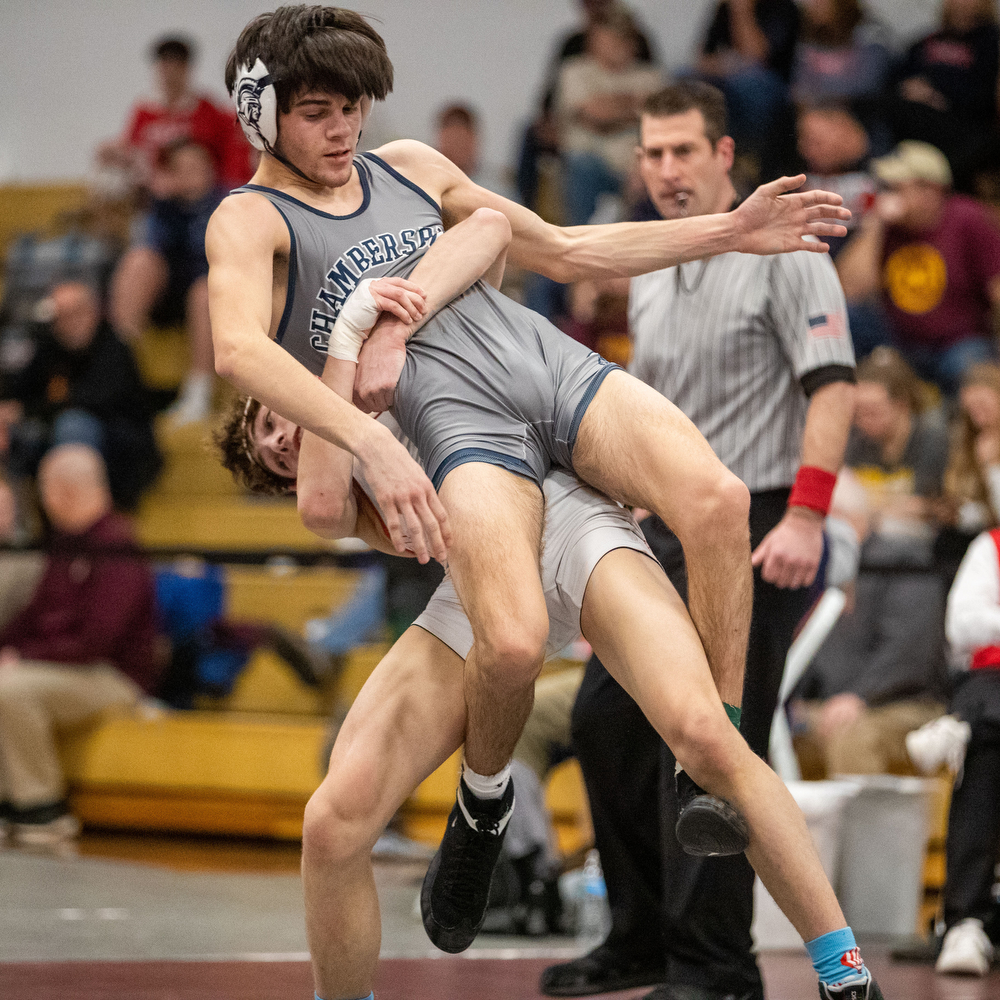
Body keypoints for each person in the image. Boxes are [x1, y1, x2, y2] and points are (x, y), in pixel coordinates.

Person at [207, 1, 850, 975]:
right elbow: (244, 357)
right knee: (349, 806)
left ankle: (832, 953)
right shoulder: (255, 227)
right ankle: (485, 801)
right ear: (262, 116)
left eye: (354, 108)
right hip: (478, 497)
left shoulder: (408, 168)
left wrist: (730, 228)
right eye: (316, 113)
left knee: (712, 560)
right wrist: (351, 390)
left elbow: (549, 245)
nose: (344, 131)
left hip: (550, 449)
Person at [542, 80, 857, 1000]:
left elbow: (832, 385)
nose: (667, 170)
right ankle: (640, 937)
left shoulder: (786, 250)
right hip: (668, 522)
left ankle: (718, 965)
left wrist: (805, 513)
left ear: (725, 157)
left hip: (761, 522)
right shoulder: (653, 266)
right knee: (604, 721)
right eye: (652, 153)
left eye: (684, 151)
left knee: (717, 739)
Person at [0, 445, 160, 846]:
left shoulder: (117, 545)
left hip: (114, 678)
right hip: (64, 668)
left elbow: (97, 641)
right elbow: (32, 618)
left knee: (10, 689)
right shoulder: (65, 545)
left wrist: (23, 657)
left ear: (60, 491)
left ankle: (42, 807)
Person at [837, 140, 1000, 396]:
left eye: (896, 187)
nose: (886, 196)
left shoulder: (967, 218)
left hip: (959, 343)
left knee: (969, 366)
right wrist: (874, 224)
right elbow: (850, 290)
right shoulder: (885, 228)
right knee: (849, 318)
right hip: (900, 343)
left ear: (930, 190)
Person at [0, 281, 161, 512]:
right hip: (52, 440)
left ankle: (79, 518)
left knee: (74, 424)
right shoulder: (49, 347)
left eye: (74, 314)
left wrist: (29, 411)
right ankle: (16, 523)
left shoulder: (114, 348)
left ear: (93, 312)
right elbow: (20, 393)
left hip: (122, 454)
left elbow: (91, 401)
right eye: (60, 317)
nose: (67, 323)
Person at [110, 139, 224, 424]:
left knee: (204, 290)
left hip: (213, 296)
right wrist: (161, 201)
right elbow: (152, 247)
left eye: (196, 167)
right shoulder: (162, 207)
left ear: (210, 170)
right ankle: (115, 371)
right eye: (181, 169)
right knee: (138, 262)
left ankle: (198, 393)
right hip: (169, 294)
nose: (190, 174)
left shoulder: (229, 202)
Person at [929, 523, 1000, 975]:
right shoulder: (990, 546)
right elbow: (963, 623)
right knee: (987, 729)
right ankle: (967, 921)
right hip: (993, 691)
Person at [97, 35, 252, 196]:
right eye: (165, 65)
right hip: (152, 197)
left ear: (187, 69)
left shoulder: (208, 111)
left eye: (176, 66)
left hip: (201, 198)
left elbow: (231, 153)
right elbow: (133, 150)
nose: (170, 72)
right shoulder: (144, 112)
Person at [555, 4, 662, 225]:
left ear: (632, 42)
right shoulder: (575, 71)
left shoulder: (650, 77)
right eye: (608, 37)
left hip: (635, 169)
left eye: (622, 39)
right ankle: (580, 244)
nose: (615, 45)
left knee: (661, 169)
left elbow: (661, 123)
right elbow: (595, 114)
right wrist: (634, 107)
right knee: (581, 164)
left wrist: (643, 165)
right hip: (592, 166)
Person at [889, 0, 1000, 192]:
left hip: (964, 126)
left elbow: (985, 97)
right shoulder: (927, 41)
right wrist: (910, 88)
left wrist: (938, 96)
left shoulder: (991, 41)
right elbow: (896, 78)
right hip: (916, 117)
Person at [697, 0, 801, 159]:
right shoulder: (725, 9)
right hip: (729, 77)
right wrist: (725, 66)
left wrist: (742, 12)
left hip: (774, 84)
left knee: (748, 85)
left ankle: (749, 156)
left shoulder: (783, 8)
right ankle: (702, 148)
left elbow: (757, 55)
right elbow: (703, 59)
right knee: (683, 76)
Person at [790, 0, 891, 105]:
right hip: (813, 115)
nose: (815, 3)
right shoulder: (802, 43)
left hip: (858, 115)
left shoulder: (871, 42)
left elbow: (867, 89)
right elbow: (799, 92)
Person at [944, 363, 1000, 537]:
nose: (977, 415)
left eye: (983, 406)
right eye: (972, 409)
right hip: (976, 534)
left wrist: (992, 468)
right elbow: (960, 495)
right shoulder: (968, 441)